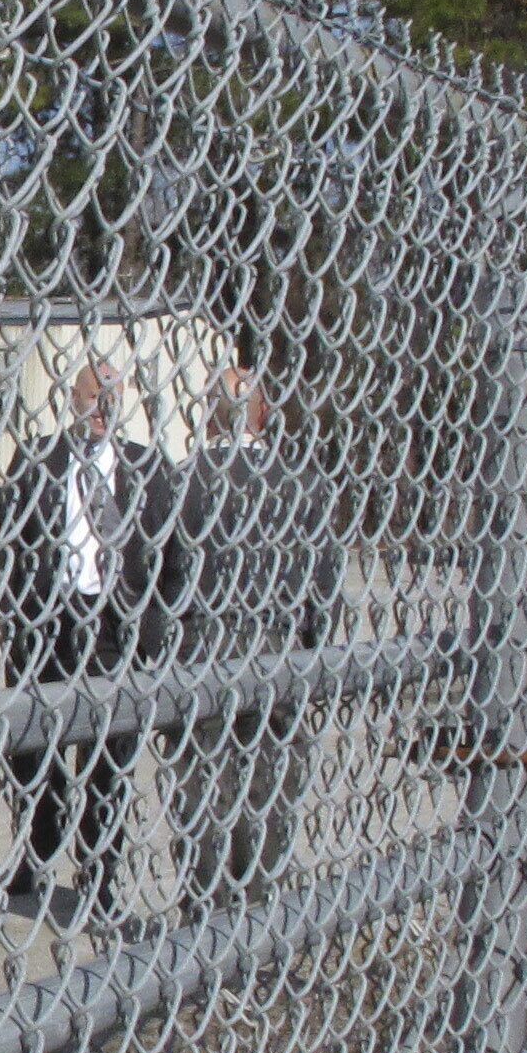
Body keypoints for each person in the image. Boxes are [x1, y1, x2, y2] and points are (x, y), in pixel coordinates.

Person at [0, 361, 176, 922]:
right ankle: (37, 849)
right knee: (34, 750)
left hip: (112, 624)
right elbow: (12, 541)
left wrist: (151, 629)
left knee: (108, 759)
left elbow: (167, 556)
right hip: (49, 621)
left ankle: (100, 871)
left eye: (114, 398)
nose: (104, 410)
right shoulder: (40, 459)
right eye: (95, 398)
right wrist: (15, 613)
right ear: (72, 399)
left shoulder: (146, 467)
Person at [160, 364, 342, 909]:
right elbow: (324, 578)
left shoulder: (183, 480)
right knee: (270, 784)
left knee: (203, 786)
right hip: (277, 647)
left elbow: (165, 575)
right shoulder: (304, 482)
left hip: (204, 646)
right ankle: (259, 903)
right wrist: (313, 647)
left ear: (209, 416)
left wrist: (167, 641)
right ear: (263, 415)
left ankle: (205, 909)